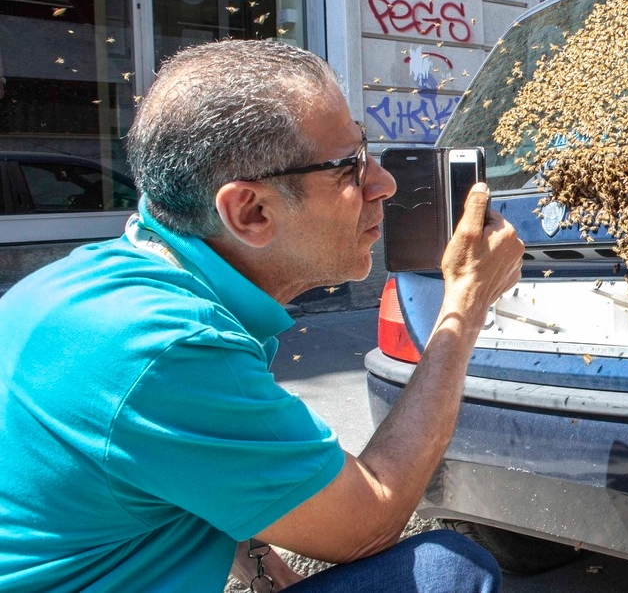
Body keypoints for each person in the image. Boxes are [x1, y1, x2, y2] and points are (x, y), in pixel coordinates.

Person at [0, 39, 525, 592]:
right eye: (348, 168)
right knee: (448, 570)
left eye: (365, 150)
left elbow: (149, 457)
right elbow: (369, 523)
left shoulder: (85, 279)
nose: (382, 184)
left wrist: (251, 552)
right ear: (249, 211)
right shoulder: (172, 347)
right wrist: (464, 305)